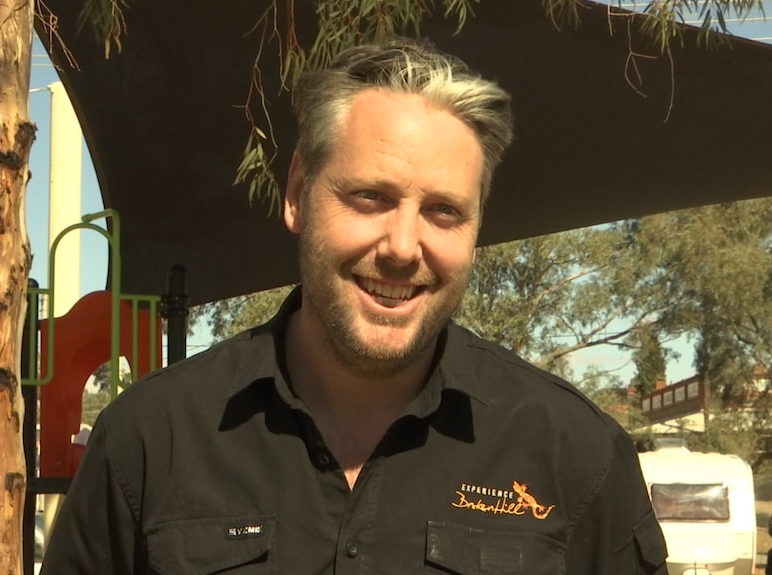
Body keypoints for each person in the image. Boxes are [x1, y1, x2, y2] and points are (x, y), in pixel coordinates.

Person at [41, 39, 668, 574]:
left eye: (443, 211)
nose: (402, 247)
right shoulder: (150, 440)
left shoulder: (575, 455)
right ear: (297, 194)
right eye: (370, 197)